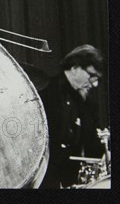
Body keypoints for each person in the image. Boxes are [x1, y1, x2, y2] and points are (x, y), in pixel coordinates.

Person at [39, 44, 106, 188]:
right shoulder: (47, 91)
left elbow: (91, 139)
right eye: (92, 76)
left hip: (70, 176)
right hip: (49, 178)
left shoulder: (84, 99)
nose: (95, 84)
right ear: (75, 68)